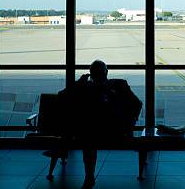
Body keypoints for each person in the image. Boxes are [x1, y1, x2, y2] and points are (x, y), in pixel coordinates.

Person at [59, 59, 142, 188]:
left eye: (98, 73)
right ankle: (89, 176)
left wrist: (77, 84)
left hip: (105, 129)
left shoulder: (91, 86)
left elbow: (62, 96)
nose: (98, 76)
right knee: (89, 135)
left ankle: (89, 176)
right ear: (106, 72)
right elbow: (137, 104)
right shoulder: (114, 85)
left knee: (88, 138)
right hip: (101, 129)